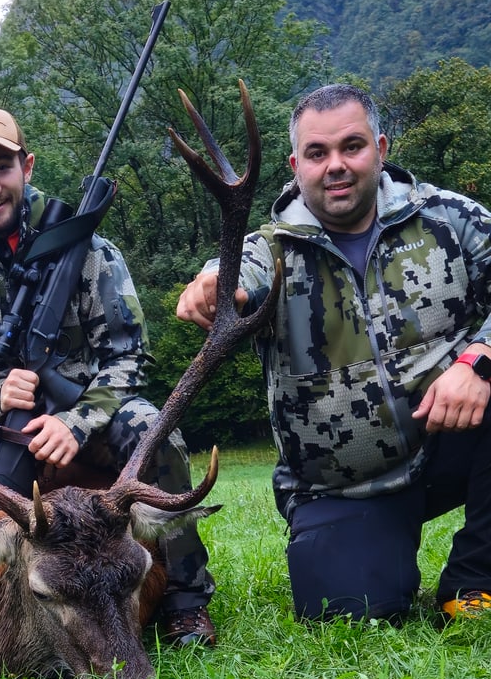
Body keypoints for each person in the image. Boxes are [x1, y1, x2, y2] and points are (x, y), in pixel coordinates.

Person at [0, 103, 215, 652]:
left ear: (28, 166)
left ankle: (186, 603)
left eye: (2, 167)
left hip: (87, 415)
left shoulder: (87, 251)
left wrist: (77, 422)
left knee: (152, 428)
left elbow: (129, 356)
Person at [176, 82, 491, 622]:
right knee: (346, 609)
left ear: (382, 148)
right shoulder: (271, 251)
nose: (336, 166)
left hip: (453, 445)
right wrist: (213, 284)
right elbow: (234, 273)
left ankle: (475, 579)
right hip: (344, 486)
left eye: (352, 146)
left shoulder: (449, 219)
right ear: (296, 165)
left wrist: (479, 360)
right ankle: (374, 551)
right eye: (318, 154)